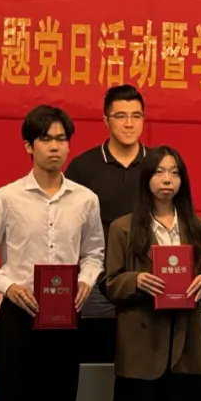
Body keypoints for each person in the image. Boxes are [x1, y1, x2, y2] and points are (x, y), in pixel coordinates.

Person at [0, 105, 105, 401]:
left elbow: (94, 253)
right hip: (19, 315)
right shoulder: (6, 198)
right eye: (46, 139)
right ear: (29, 146)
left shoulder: (86, 199)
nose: (55, 146)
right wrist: (9, 287)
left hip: (66, 315)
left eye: (61, 139)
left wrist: (86, 280)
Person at [104, 145, 201, 401]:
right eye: (159, 172)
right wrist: (136, 280)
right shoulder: (123, 228)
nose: (167, 179)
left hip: (186, 343)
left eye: (174, 173)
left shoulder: (196, 227)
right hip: (140, 347)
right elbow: (109, 283)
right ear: (146, 178)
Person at [65, 84, 147, 317]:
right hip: (96, 284)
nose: (129, 124)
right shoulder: (83, 167)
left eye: (136, 116)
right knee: (95, 341)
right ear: (106, 121)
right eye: (120, 116)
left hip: (147, 282)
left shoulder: (158, 166)